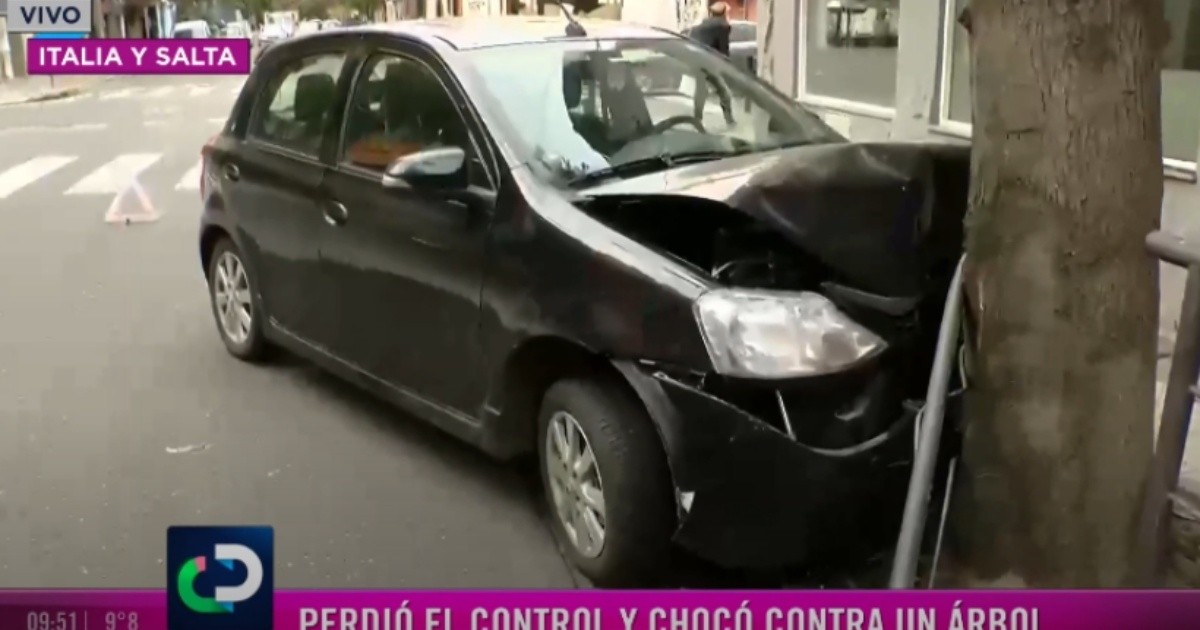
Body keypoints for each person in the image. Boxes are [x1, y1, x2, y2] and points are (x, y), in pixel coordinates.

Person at [687, 2, 736, 127]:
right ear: (724, 13)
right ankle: (729, 120)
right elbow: (724, 50)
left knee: (701, 91)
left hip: (695, 60)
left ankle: (697, 119)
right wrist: (727, 66)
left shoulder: (700, 26)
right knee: (724, 92)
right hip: (708, 63)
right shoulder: (723, 26)